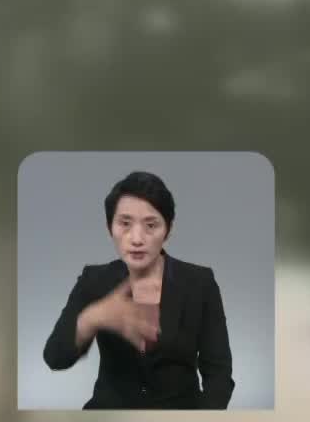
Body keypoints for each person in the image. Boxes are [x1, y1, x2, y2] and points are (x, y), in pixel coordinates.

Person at [42, 171, 233, 409]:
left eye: (151, 225)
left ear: (169, 229)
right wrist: (92, 317)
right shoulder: (94, 280)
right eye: (125, 223)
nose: (137, 238)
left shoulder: (200, 283)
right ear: (109, 227)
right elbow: (54, 358)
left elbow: (219, 374)